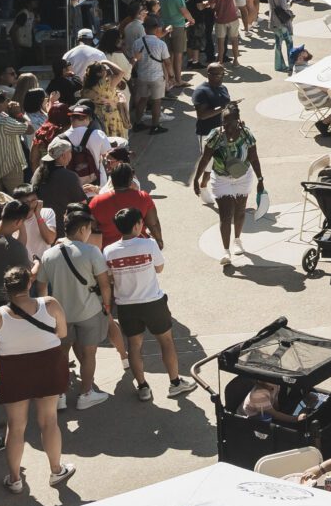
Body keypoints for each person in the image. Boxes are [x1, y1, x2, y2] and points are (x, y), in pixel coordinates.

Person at [0, 268, 73, 493]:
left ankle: (15, 479)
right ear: (29, 283)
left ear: (6, 288)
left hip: (13, 370)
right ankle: (56, 470)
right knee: (49, 420)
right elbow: (62, 333)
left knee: (15, 426)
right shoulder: (50, 304)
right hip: (48, 366)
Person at [103, 208, 197, 401]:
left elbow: (110, 277)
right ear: (137, 225)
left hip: (126, 306)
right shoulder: (149, 244)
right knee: (166, 342)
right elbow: (159, 268)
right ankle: (175, 383)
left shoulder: (109, 251)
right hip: (153, 302)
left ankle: (143, 387)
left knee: (134, 346)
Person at [38, 208, 116, 410]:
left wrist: (46, 314)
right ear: (83, 229)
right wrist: (107, 306)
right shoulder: (91, 252)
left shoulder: (48, 254)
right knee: (89, 354)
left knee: (62, 355)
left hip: (60, 315)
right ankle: (86, 394)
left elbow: (42, 288)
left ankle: (61, 395)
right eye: (89, 229)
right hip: (89, 311)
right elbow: (105, 284)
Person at [192, 106, 265, 271]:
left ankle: (237, 240)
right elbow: (205, 158)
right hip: (222, 179)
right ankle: (226, 252)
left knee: (240, 212)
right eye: (224, 122)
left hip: (243, 177)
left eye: (230, 123)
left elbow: (254, 157)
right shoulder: (216, 135)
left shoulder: (246, 134)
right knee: (225, 216)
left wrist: (260, 179)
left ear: (237, 120)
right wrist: (196, 179)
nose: (227, 127)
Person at [192, 61, 233, 138]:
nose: (222, 77)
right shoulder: (201, 91)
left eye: (223, 74)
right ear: (209, 75)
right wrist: (223, 108)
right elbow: (202, 115)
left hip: (223, 131)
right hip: (207, 133)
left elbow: (227, 105)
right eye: (218, 75)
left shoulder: (223, 88)